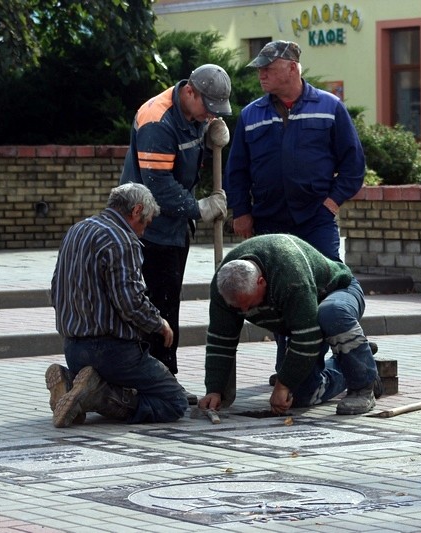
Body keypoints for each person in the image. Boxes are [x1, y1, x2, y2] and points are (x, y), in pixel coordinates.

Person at [119, 63, 232, 404]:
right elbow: (158, 188)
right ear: (190, 92)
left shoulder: (194, 112)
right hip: (147, 229)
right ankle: (155, 384)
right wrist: (200, 208)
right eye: (208, 108)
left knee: (168, 305)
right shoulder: (157, 121)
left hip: (173, 230)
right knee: (155, 307)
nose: (210, 115)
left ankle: (164, 380)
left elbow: (189, 150)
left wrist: (210, 136)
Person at [46, 183, 188, 428]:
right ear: (136, 210)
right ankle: (96, 395)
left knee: (125, 383)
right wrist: (159, 324)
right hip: (112, 351)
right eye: (145, 223)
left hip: (72, 348)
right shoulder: (121, 240)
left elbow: (55, 287)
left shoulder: (77, 230)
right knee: (175, 401)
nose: (143, 232)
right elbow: (130, 302)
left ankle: (71, 383)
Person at [197, 234, 382, 416]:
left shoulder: (289, 274)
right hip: (295, 317)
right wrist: (214, 390)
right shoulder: (224, 285)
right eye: (237, 307)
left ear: (261, 282)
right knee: (300, 396)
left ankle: (363, 386)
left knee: (331, 313)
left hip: (338, 292)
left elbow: (307, 337)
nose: (244, 311)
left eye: (249, 304)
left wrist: (283, 384)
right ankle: (358, 358)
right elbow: (221, 339)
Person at [224, 40, 365, 262]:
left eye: (268, 68)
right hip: (267, 220)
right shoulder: (251, 114)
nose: (261, 74)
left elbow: (353, 165)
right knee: (270, 279)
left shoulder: (330, 107)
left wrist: (331, 203)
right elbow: (236, 170)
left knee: (330, 276)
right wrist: (241, 211)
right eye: (259, 69)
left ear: (292, 67)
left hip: (315, 218)